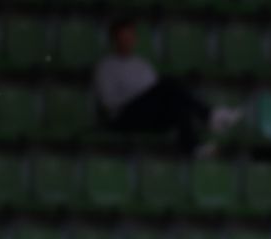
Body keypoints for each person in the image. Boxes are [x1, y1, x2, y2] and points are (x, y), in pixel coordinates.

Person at [93, 17, 240, 153]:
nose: (127, 40)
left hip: (147, 116)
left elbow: (157, 94)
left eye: (130, 36)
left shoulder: (142, 64)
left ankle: (193, 147)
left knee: (179, 106)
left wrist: (147, 97)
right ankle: (209, 115)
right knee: (169, 84)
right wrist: (138, 96)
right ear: (114, 39)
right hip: (123, 117)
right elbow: (109, 103)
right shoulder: (105, 66)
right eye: (123, 37)